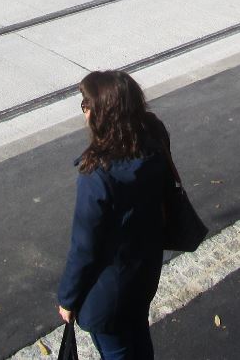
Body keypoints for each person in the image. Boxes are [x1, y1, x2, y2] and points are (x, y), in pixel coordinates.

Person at [57, 70, 169, 360]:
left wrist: (67, 299)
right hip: (143, 274)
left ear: (103, 113)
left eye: (87, 104)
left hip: (106, 293)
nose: (84, 110)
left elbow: (84, 247)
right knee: (139, 339)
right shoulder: (154, 140)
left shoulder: (96, 174)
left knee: (117, 351)